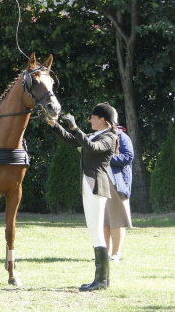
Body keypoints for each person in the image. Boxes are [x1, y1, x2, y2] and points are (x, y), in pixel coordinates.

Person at [47, 102, 118, 292]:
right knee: (94, 231)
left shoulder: (109, 137)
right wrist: (54, 124)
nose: (91, 120)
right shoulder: (97, 134)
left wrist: (75, 126)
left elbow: (92, 147)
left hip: (96, 186)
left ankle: (101, 280)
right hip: (88, 184)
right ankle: (103, 279)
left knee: (96, 231)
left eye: (93, 117)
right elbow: (73, 139)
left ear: (102, 119)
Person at [104, 109, 134, 262]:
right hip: (100, 183)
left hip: (117, 182)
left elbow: (128, 157)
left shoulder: (122, 136)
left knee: (116, 220)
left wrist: (106, 157)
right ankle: (105, 253)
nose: (91, 121)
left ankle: (116, 254)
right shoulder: (98, 137)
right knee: (104, 221)